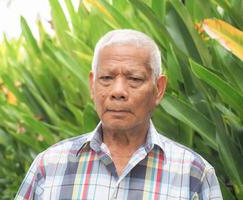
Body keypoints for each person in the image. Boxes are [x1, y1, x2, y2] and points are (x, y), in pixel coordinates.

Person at [15, 29, 223, 200]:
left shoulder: (194, 175)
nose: (118, 91)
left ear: (158, 89)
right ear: (92, 85)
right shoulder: (50, 166)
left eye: (134, 79)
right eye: (106, 77)